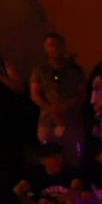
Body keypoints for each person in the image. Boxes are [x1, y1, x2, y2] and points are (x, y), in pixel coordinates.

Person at [31, 33, 87, 165]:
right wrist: (52, 109)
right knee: (49, 159)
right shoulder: (40, 70)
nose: (54, 48)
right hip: (47, 122)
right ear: (45, 48)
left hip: (71, 121)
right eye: (51, 45)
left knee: (73, 159)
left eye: (58, 45)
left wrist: (65, 106)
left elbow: (82, 94)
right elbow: (34, 94)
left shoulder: (75, 70)